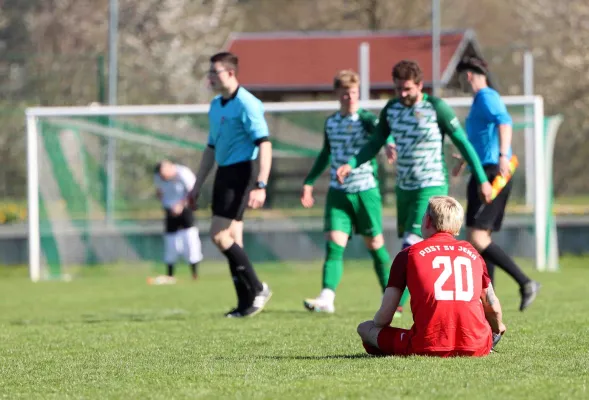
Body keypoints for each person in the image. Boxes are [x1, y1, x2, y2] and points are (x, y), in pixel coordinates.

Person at [337, 60, 492, 317]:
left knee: (411, 244)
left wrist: (482, 179)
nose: (402, 94)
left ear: (420, 85)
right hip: (404, 188)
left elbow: (463, 143)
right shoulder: (392, 109)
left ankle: (396, 303)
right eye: (398, 89)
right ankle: (426, 297)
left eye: (407, 89)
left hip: (430, 185)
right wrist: (352, 164)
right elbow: (376, 141)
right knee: (411, 247)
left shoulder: (436, 107)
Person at [357, 196, 506, 357]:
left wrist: (376, 326)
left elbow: (384, 317)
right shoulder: (473, 253)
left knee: (364, 328)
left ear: (428, 220)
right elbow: (493, 306)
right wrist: (497, 328)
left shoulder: (408, 254)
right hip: (477, 345)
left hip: (426, 346)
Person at [301, 69, 394, 313]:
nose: (350, 97)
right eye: (345, 94)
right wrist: (309, 182)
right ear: (337, 94)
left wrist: (390, 145)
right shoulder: (331, 122)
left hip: (365, 191)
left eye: (353, 93)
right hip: (338, 193)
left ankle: (393, 299)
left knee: (374, 243)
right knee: (333, 243)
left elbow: (383, 136)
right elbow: (325, 154)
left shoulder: (366, 119)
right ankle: (326, 298)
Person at [454, 56, 540, 311]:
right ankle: (489, 303)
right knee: (481, 241)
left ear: (467, 76)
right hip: (482, 171)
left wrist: (503, 154)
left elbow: (505, 121)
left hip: (492, 174)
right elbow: (483, 141)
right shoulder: (480, 100)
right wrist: (465, 161)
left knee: (476, 237)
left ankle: (525, 282)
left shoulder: (486, 96)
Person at [189, 51, 272, 318]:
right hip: (223, 173)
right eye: (210, 72)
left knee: (218, 235)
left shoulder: (248, 104)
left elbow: (265, 144)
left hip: (240, 173)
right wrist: (197, 184)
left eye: (216, 72)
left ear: (231, 73)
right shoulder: (216, 105)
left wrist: (261, 184)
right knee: (233, 239)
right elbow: (211, 147)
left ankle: (258, 287)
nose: (211, 77)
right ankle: (245, 303)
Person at [151, 160, 203, 284]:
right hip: (169, 211)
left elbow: (193, 192)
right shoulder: (158, 177)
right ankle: (170, 275)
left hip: (185, 211)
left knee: (190, 240)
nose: (164, 178)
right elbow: (160, 191)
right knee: (171, 242)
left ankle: (194, 274)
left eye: (165, 174)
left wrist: (181, 205)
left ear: (170, 167)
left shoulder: (184, 173)